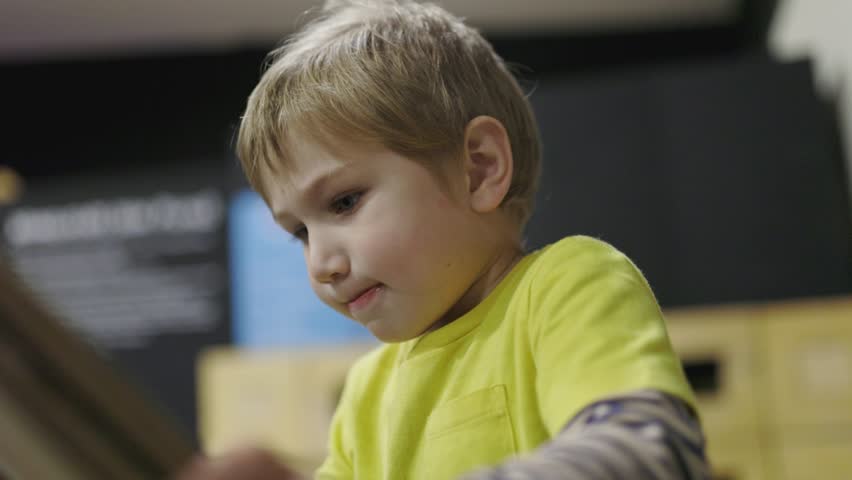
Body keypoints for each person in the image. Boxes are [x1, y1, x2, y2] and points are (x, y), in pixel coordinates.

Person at [176, 0, 709, 478]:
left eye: (344, 202)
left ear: (478, 168)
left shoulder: (567, 285)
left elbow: (654, 449)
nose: (320, 263)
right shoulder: (365, 393)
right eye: (299, 233)